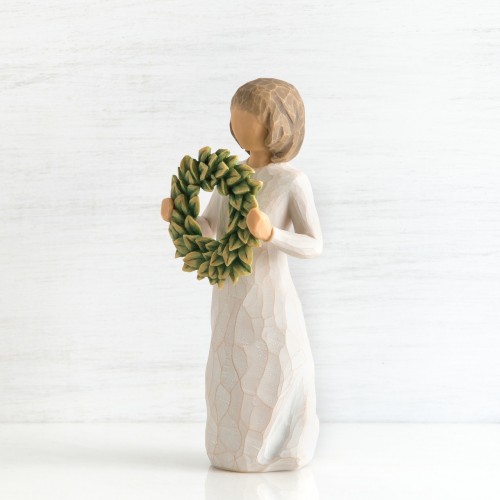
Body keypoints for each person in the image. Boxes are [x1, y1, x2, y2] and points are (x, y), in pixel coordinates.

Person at [161, 78, 323, 472]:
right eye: (235, 116)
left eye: (247, 116)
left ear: (276, 124)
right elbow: (210, 226)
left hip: (271, 298)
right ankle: (230, 447)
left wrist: (272, 234)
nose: (237, 123)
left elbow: (313, 243)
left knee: (273, 368)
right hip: (230, 295)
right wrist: (180, 218)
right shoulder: (230, 177)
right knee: (230, 365)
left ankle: (276, 448)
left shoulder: (291, 181)